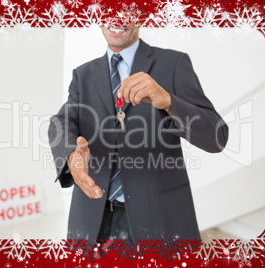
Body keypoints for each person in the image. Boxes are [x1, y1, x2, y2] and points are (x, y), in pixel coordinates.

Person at [48, 21, 229, 243]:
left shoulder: (174, 63)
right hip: (93, 219)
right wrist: (71, 154)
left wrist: (170, 102)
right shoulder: (83, 74)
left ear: (140, 14)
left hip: (161, 217)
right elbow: (61, 121)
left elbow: (217, 136)